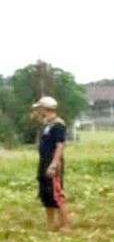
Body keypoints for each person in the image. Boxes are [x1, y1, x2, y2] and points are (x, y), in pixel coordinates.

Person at [32, 96, 70, 232]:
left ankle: (65, 224)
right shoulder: (47, 124)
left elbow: (60, 145)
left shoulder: (58, 125)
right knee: (45, 193)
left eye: (39, 109)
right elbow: (34, 118)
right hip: (44, 161)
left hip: (53, 162)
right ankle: (51, 223)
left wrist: (54, 164)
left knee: (56, 193)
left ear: (45, 109)